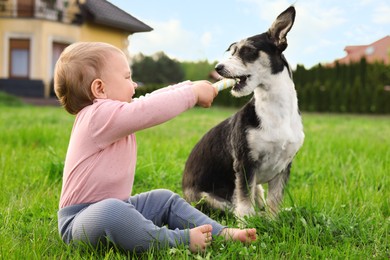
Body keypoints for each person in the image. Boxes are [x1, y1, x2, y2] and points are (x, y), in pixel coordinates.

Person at [55, 42, 257, 253]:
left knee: (163, 199)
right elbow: (147, 108)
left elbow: (150, 99)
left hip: (118, 207)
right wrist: (192, 95)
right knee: (112, 210)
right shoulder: (96, 117)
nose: (133, 85)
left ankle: (221, 233)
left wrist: (190, 87)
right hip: (79, 222)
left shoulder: (112, 116)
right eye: (126, 77)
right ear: (100, 89)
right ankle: (178, 240)